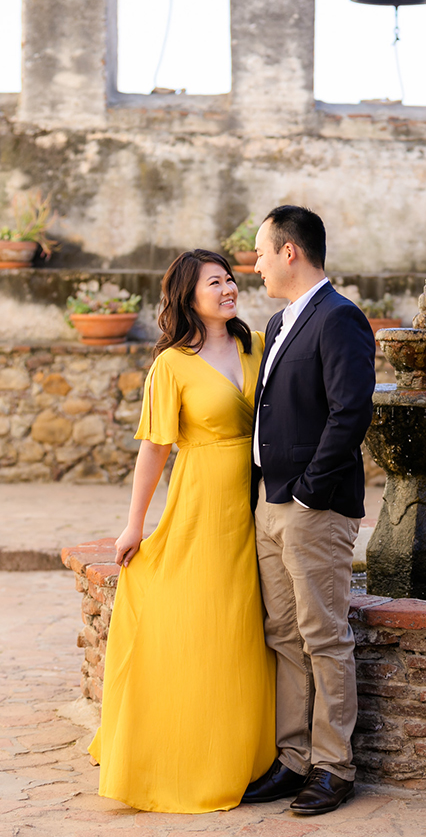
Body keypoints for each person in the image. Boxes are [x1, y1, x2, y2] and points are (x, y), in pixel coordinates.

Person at [89, 250, 276, 812]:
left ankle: (249, 754)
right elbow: (154, 449)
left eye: (229, 279)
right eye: (214, 283)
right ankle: (176, 751)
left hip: (258, 500)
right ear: (188, 297)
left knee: (248, 626)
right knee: (201, 621)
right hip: (202, 504)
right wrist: (133, 524)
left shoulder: (257, 344)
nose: (227, 289)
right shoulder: (171, 364)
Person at [238, 205, 377, 816]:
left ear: (290, 251)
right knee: (283, 635)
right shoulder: (278, 319)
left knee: (324, 636)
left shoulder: (340, 317)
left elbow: (352, 411)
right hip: (268, 503)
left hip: (310, 507)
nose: (257, 263)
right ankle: (293, 760)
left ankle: (334, 767)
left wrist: (308, 492)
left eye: (262, 252)